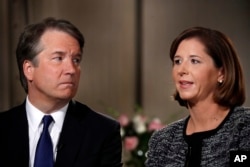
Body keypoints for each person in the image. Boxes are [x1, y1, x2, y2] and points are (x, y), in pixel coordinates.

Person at [0, 17, 122, 167]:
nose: (71, 70)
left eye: (76, 60)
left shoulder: (103, 131)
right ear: (29, 69)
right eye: (58, 58)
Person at [145, 27, 250, 166]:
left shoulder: (244, 127)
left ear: (221, 73)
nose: (181, 70)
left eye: (194, 61)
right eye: (177, 61)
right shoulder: (163, 141)